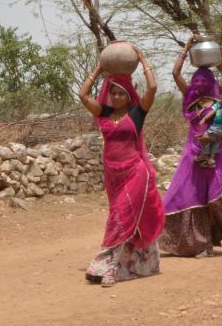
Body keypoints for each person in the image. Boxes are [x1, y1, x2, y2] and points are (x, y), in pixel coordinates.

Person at [77, 45, 165, 287]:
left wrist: (144, 58)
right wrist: (98, 69)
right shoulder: (104, 113)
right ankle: (139, 264)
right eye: (113, 93)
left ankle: (110, 268)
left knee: (120, 218)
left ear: (129, 95)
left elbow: (153, 88)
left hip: (135, 172)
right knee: (120, 217)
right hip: (113, 176)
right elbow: (83, 96)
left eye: (121, 94)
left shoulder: (137, 113)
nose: (116, 98)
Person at [161, 38, 222, 258]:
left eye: (206, 82)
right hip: (193, 156)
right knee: (192, 199)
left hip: (216, 155)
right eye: (197, 81)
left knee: (214, 198)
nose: (200, 85)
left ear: (213, 84)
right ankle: (202, 245)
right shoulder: (190, 99)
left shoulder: (220, 103)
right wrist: (186, 49)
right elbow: (175, 74)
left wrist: (214, 136)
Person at [196, 83, 222, 168]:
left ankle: (204, 154)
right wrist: (205, 118)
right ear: (219, 94)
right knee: (216, 141)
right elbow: (212, 111)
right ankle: (211, 158)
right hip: (216, 126)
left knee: (205, 137)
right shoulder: (218, 103)